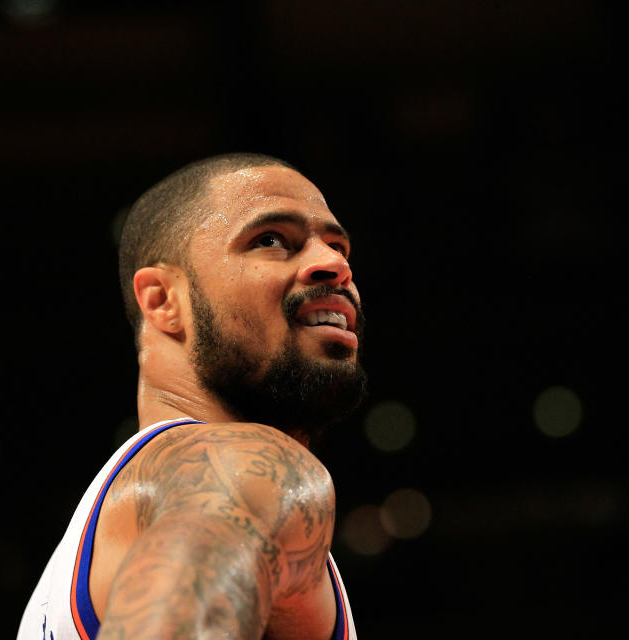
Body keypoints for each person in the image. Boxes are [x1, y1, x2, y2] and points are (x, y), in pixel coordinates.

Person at [18, 153, 367, 640]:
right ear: (162, 301)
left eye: (337, 246)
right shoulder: (244, 465)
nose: (334, 264)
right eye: (270, 240)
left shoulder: (112, 524)